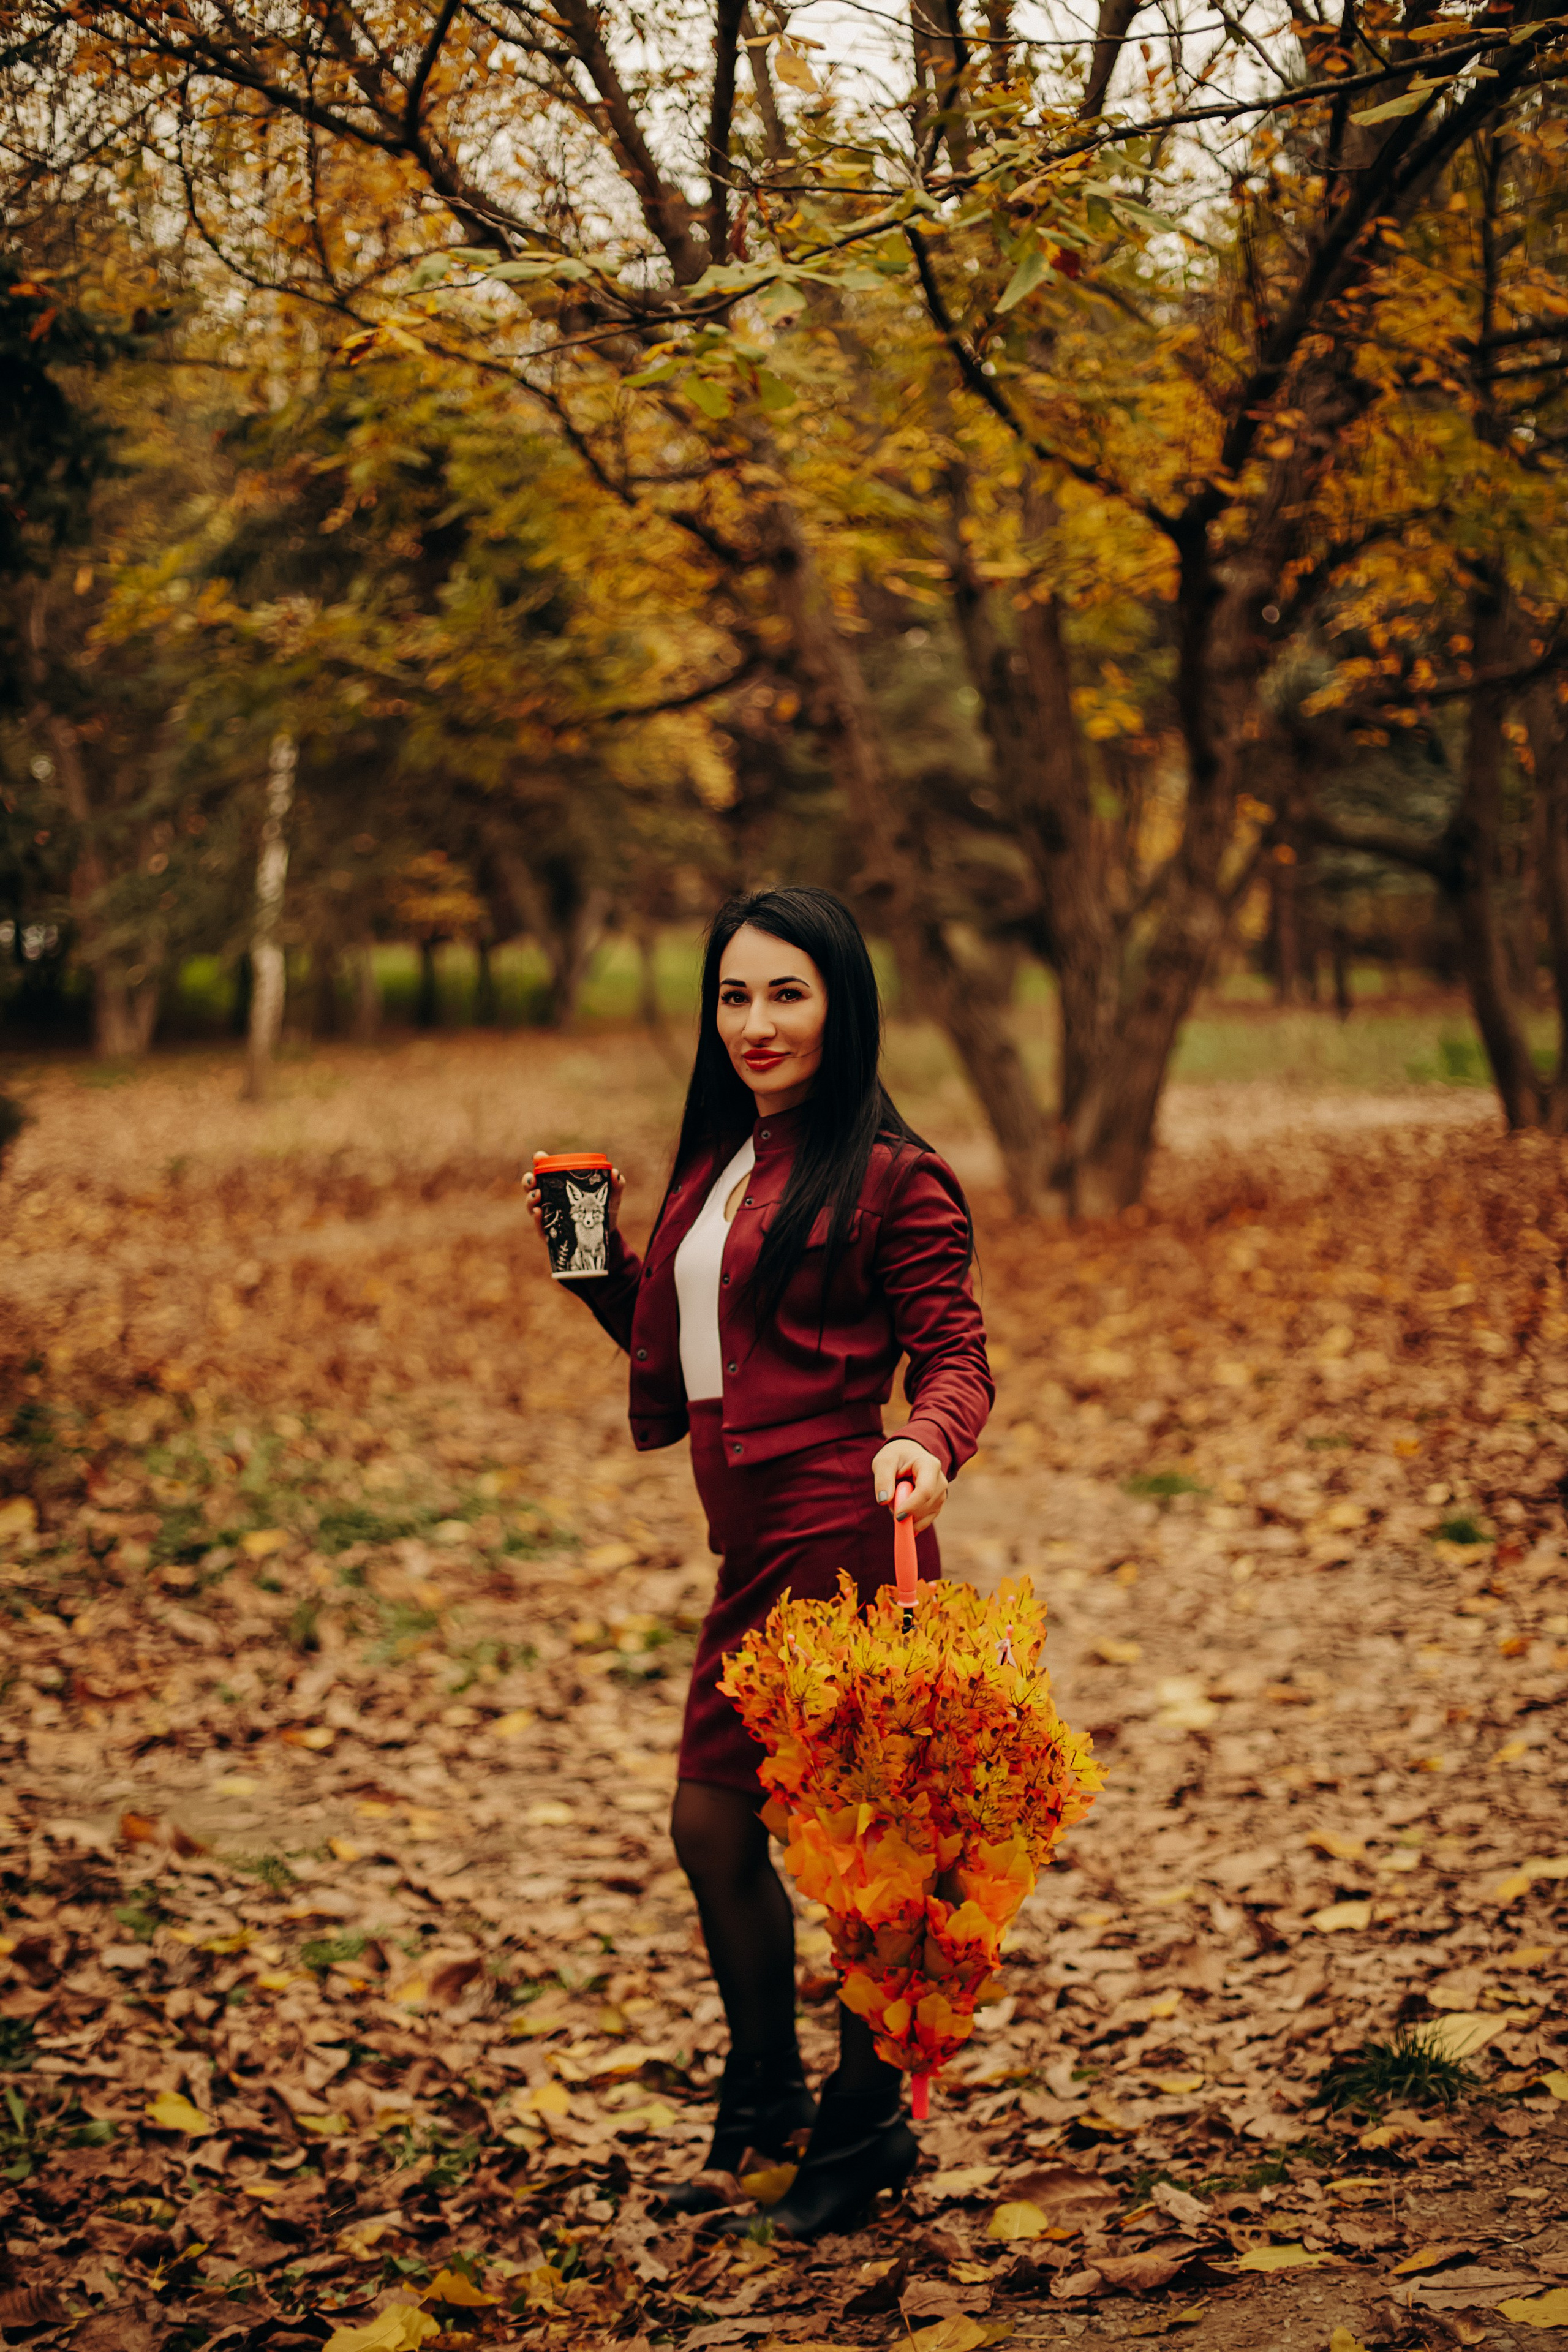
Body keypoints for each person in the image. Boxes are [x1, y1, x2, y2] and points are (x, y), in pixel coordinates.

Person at [523, 886, 992, 2239]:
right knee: (711, 1821)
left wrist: (930, 1442)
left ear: (841, 1003)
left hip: (843, 1530)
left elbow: (953, 1348)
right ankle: (767, 2100)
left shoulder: (892, 1175)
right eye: (733, 995)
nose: (755, 1022)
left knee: (864, 1851)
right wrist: (596, 1270)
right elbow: (697, 1344)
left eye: (785, 993)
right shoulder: (722, 1159)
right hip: (750, 1544)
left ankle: (859, 2129)